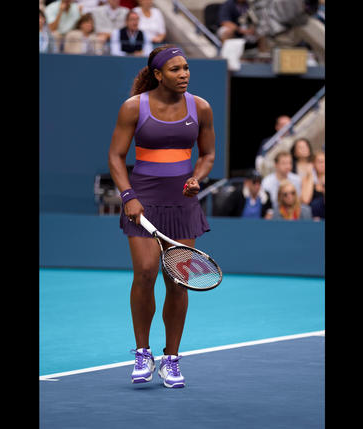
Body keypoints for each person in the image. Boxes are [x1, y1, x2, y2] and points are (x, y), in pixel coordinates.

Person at [108, 45, 216, 388]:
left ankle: (171, 358)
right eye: (175, 69)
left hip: (182, 203)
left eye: (186, 68)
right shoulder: (133, 107)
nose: (184, 74)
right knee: (145, 272)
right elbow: (115, 156)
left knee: (178, 280)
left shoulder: (201, 107)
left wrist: (198, 177)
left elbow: (208, 154)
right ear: (158, 74)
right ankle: (143, 352)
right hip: (143, 202)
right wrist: (129, 196)